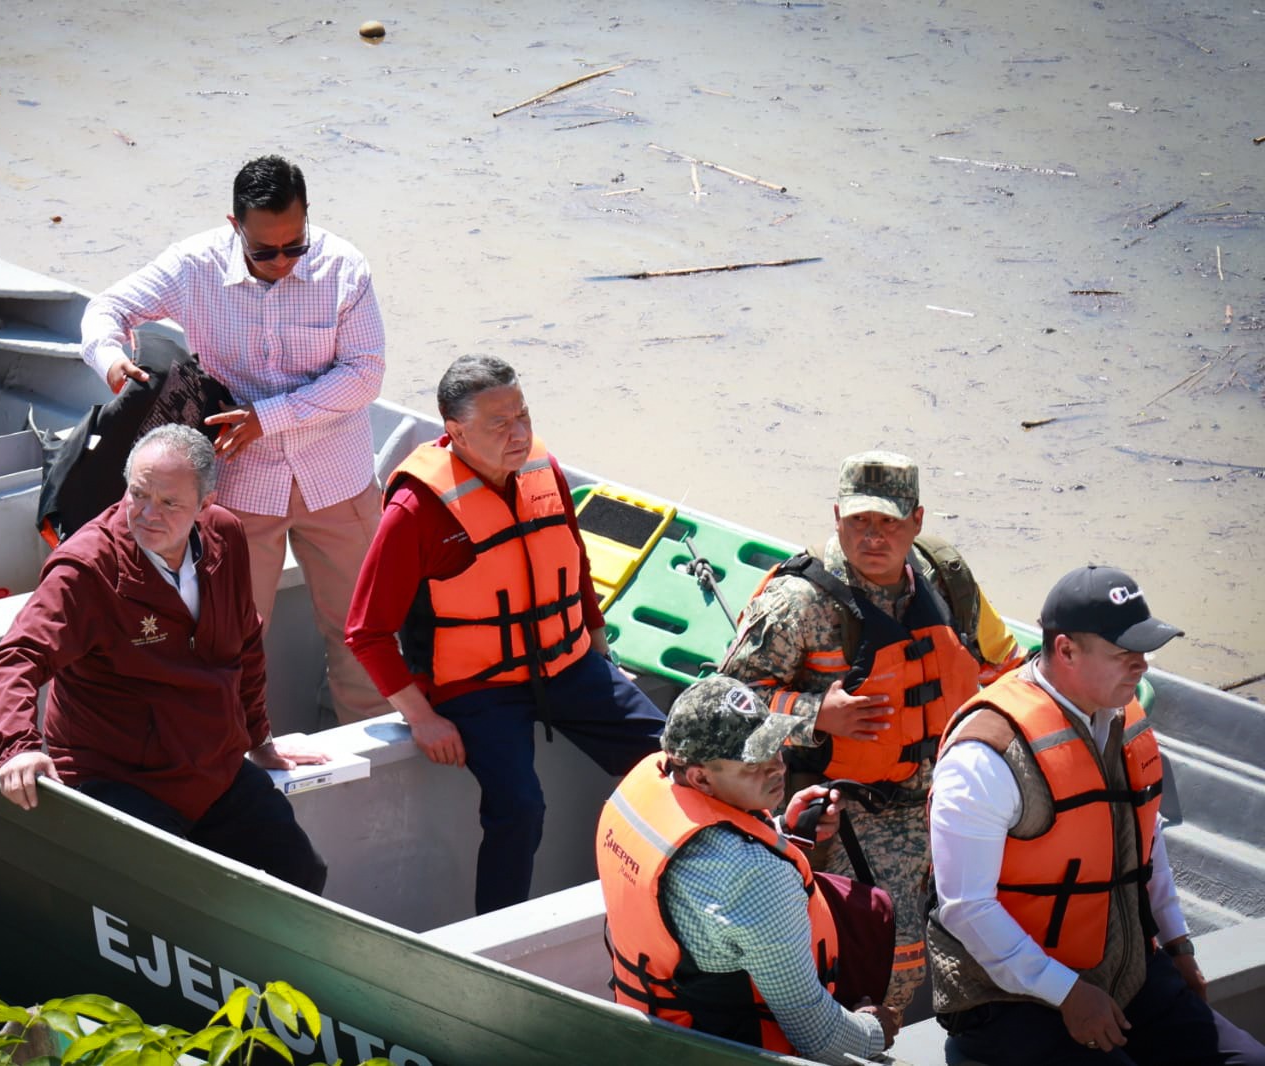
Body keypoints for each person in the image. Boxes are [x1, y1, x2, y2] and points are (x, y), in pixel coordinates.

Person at [345, 354, 666, 914]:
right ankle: (496, 934)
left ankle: (673, 893)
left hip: (568, 664)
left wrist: (598, 645)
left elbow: (575, 561)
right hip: (477, 688)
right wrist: (421, 717)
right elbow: (365, 632)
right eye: (500, 424)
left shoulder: (545, 470)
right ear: (456, 431)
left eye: (523, 415)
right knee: (520, 808)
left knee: (670, 756)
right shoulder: (415, 509)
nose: (519, 433)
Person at [78, 154, 387, 724]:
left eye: (294, 247)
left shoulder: (345, 268)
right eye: (263, 251)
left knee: (361, 632)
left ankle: (363, 742)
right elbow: (108, 308)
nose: (282, 264)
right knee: (235, 637)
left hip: (338, 478)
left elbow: (365, 372)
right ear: (233, 225)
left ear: (307, 219)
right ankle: (240, 756)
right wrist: (114, 360)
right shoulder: (193, 265)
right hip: (239, 489)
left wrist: (267, 417)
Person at [720, 450, 1021, 1010]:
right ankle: (858, 1038)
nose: (874, 536)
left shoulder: (943, 581)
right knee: (892, 956)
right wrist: (815, 714)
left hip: (945, 792)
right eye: (860, 521)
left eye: (889, 522)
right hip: (851, 808)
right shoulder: (798, 603)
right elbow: (722, 709)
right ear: (837, 517)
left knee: (1008, 916)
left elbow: (1001, 668)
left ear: (918, 521)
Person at [928, 565, 1265, 1065]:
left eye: (1144, 652)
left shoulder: (1123, 719)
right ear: (1065, 650)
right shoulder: (987, 757)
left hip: (1127, 972)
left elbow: (1148, 845)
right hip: (1011, 1001)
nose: (1142, 667)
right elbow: (966, 908)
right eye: (1124, 654)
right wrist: (1067, 993)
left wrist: (1178, 944)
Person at [0, 424, 328, 893]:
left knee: (301, 871)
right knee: (177, 895)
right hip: (119, 779)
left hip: (211, 766)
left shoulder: (225, 536)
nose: (147, 514)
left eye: (169, 503)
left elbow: (244, 643)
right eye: (138, 494)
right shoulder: (86, 569)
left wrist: (258, 736)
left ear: (205, 505)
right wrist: (19, 747)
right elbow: (15, 658)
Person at [597, 675, 899, 1063]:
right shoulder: (754, 877)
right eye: (754, 760)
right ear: (701, 777)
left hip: (650, 1038)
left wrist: (780, 831)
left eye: (775, 745)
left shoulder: (647, 784)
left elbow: (699, 875)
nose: (777, 767)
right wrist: (875, 1030)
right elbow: (819, 1038)